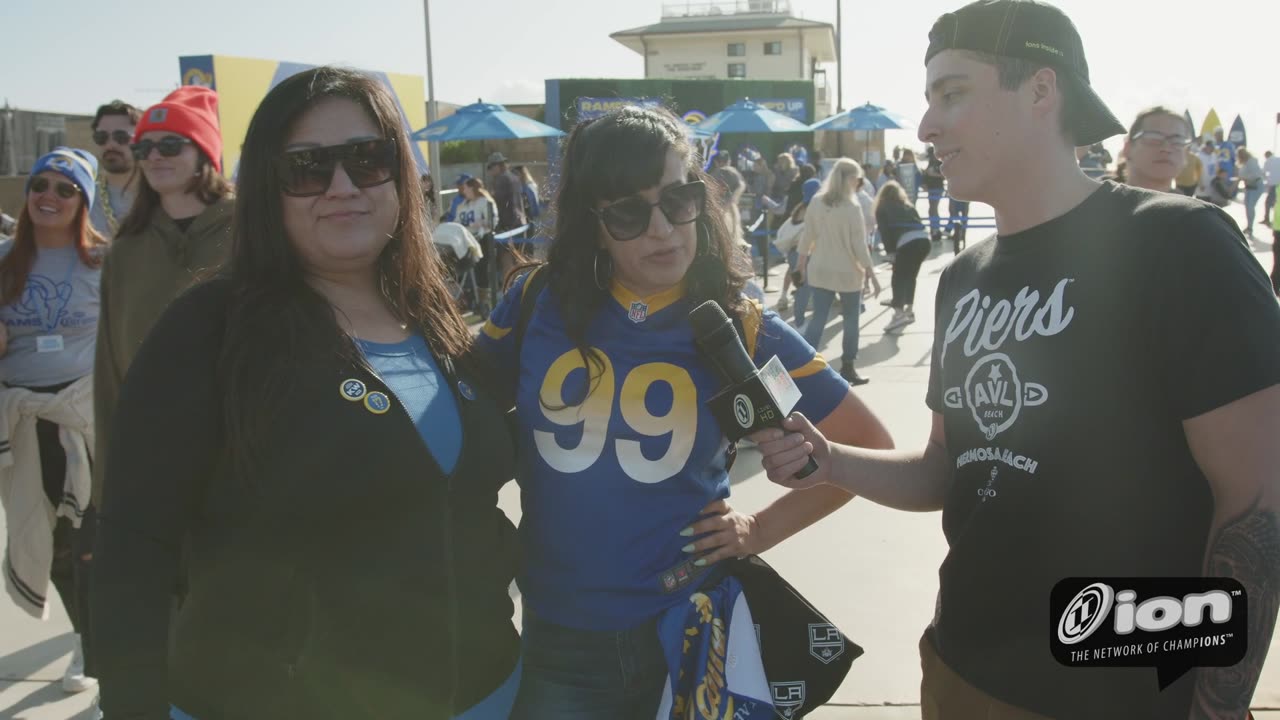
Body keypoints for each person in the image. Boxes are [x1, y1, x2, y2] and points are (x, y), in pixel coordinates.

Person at [753, 1, 1280, 718]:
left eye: (953, 93)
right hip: (961, 667)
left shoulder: (1179, 244)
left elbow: (1257, 504)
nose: (928, 125)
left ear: (1040, 91)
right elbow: (949, 467)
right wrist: (833, 460)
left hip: (1122, 688)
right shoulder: (965, 276)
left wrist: (1216, 708)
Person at [92, 66, 522, 719]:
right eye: (307, 167)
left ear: (401, 177)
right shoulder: (208, 330)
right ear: (267, 188)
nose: (343, 186)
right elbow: (133, 548)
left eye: (368, 158)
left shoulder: (435, 319)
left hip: (489, 693)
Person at [477, 105, 893, 719]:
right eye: (627, 212)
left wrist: (759, 530)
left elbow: (869, 445)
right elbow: (459, 418)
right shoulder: (535, 301)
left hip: (691, 634)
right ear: (591, 222)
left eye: (679, 199)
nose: (662, 229)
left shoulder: (744, 325)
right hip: (560, 640)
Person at [91, 86, 233, 511]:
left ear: (204, 153)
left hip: (240, 450)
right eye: (145, 146)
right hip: (153, 456)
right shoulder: (127, 248)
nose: (154, 156)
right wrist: (107, 486)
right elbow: (109, 368)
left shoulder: (253, 232)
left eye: (171, 144)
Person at [0, 148, 106, 698]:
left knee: (91, 540)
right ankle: (84, 634)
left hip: (86, 419)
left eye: (66, 189)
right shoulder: (3, 260)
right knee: (56, 544)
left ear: (83, 200)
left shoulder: (103, 262)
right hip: (24, 422)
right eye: (41, 184)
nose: (49, 196)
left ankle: (97, 641)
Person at [798, 158, 881, 386]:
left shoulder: (816, 201)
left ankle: (804, 364)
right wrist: (871, 273)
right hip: (847, 271)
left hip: (820, 268)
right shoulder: (851, 207)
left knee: (818, 319)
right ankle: (848, 366)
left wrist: (800, 264)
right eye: (858, 178)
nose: (859, 183)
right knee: (851, 320)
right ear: (849, 179)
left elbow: (807, 236)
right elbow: (859, 245)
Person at [874, 180, 930, 333]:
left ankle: (898, 313)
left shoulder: (883, 207)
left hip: (907, 243)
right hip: (924, 240)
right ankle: (909, 310)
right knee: (910, 276)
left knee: (898, 276)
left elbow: (885, 231)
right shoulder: (908, 205)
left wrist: (890, 252)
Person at [87, 101, 141, 238]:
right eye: (101, 137)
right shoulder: (83, 199)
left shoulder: (163, 196)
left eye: (121, 137)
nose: (110, 145)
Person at [1120, 106, 1190, 193]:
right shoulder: (1101, 201)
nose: (1166, 149)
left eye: (1177, 142)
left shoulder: (1196, 206)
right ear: (1127, 149)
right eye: (1154, 139)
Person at [1237, 147, 1265, 236]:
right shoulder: (1243, 163)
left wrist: (1244, 177)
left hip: (1256, 185)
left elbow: (1255, 174)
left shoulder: (1252, 161)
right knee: (1247, 206)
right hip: (1248, 186)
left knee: (1250, 207)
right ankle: (1249, 226)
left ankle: (1250, 227)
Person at [922, 146, 946, 240]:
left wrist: (934, 174)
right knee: (931, 209)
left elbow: (944, 175)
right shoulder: (931, 162)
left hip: (937, 188)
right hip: (931, 188)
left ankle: (936, 230)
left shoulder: (940, 163)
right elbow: (927, 174)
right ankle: (933, 229)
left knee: (933, 209)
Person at [1263, 150, 1280, 226]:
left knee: (1268, 203)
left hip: (1274, 185)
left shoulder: (1268, 161)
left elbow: (1263, 172)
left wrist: (1267, 180)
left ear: (1266, 156)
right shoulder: (1278, 159)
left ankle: (1267, 219)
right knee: (1276, 203)